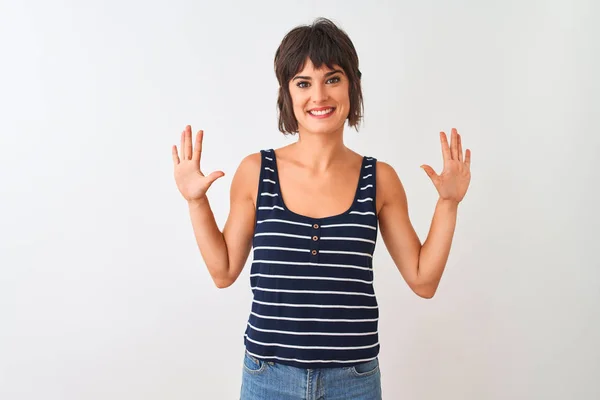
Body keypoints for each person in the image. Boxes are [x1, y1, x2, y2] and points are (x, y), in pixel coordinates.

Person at [171, 17, 471, 400]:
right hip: (268, 377)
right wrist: (196, 201)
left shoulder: (380, 179)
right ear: (287, 93)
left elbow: (422, 280)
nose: (319, 96)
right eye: (303, 83)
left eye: (332, 79)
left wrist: (448, 203)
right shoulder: (255, 172)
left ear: (352, 86)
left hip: (354, 380)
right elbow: (223, 271)